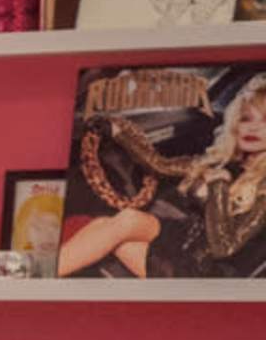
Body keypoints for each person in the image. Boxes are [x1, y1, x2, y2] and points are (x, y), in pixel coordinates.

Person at [63, 84, 266, 279]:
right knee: (123, 220)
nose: (253, 128)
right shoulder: (220, 162)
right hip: (180, 237)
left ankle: (49, 281)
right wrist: (117, 131)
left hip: (200, 268)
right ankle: (47, 276)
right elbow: (161, 165)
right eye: (246, 119)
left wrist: (218, 187)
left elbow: (224, 247)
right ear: (235, 124)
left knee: (112, 238)